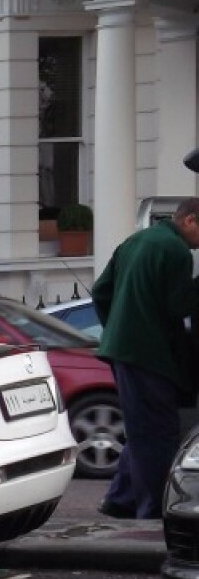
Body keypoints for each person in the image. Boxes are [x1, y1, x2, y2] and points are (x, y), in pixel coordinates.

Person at [91, 197, 199, 519]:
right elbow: (178, 306)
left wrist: (117, 329)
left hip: (123, 351)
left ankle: (120, 499)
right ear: (190, 220)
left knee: (140, 428)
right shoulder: (176, 250)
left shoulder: (135, 241)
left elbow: (100, 291)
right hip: (151, 356)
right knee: (158, 433)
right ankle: (153, 509)